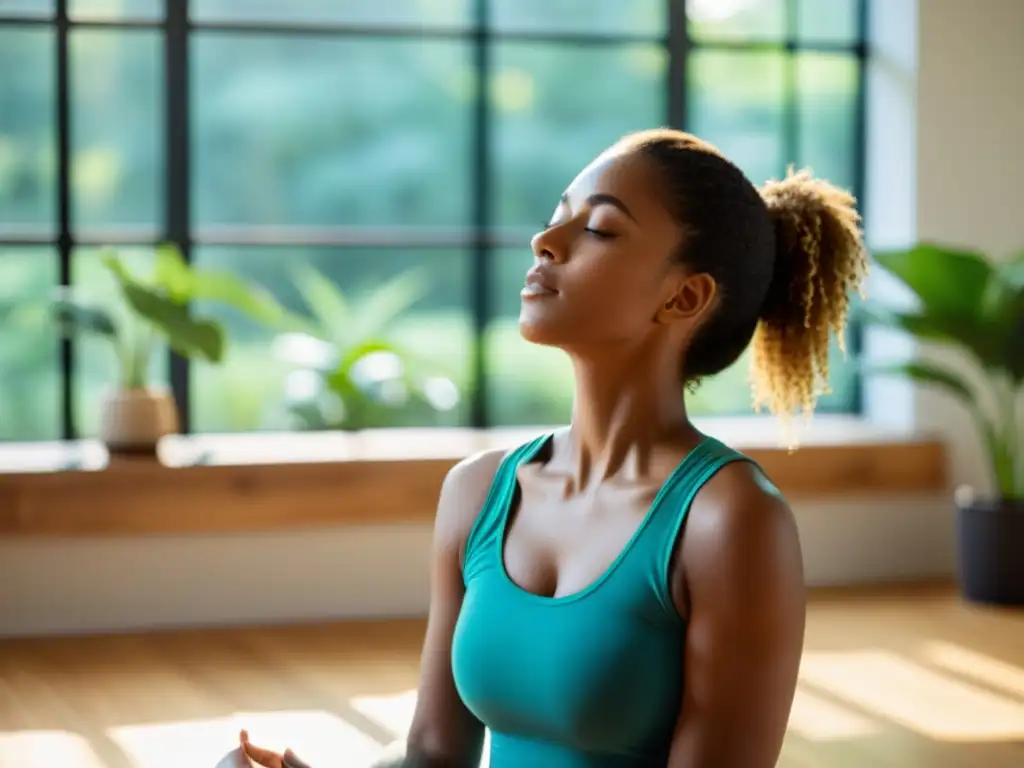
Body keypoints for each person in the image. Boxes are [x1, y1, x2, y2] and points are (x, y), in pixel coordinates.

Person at [238, 128, 868, 768]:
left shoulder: (731, 522)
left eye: (598, 229)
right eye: (555, 218)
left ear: (684, 296)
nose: (545, 242)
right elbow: (433, 754)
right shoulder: (478, 492)